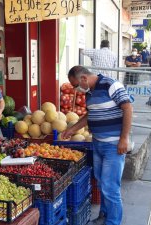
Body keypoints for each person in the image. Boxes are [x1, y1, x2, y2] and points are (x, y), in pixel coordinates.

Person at [62, 66, 133, 225]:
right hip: (98, 144)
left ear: (84, 79)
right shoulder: (89, 93)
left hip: (113, 146)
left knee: (110, 188)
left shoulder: (111, 85)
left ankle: (113, 222)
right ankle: (104, 215)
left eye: (75, 85)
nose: (75, 89)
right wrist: (71, 130)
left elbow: (128, 108)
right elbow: (90, 115)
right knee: (101, 183)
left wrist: (124, 138)